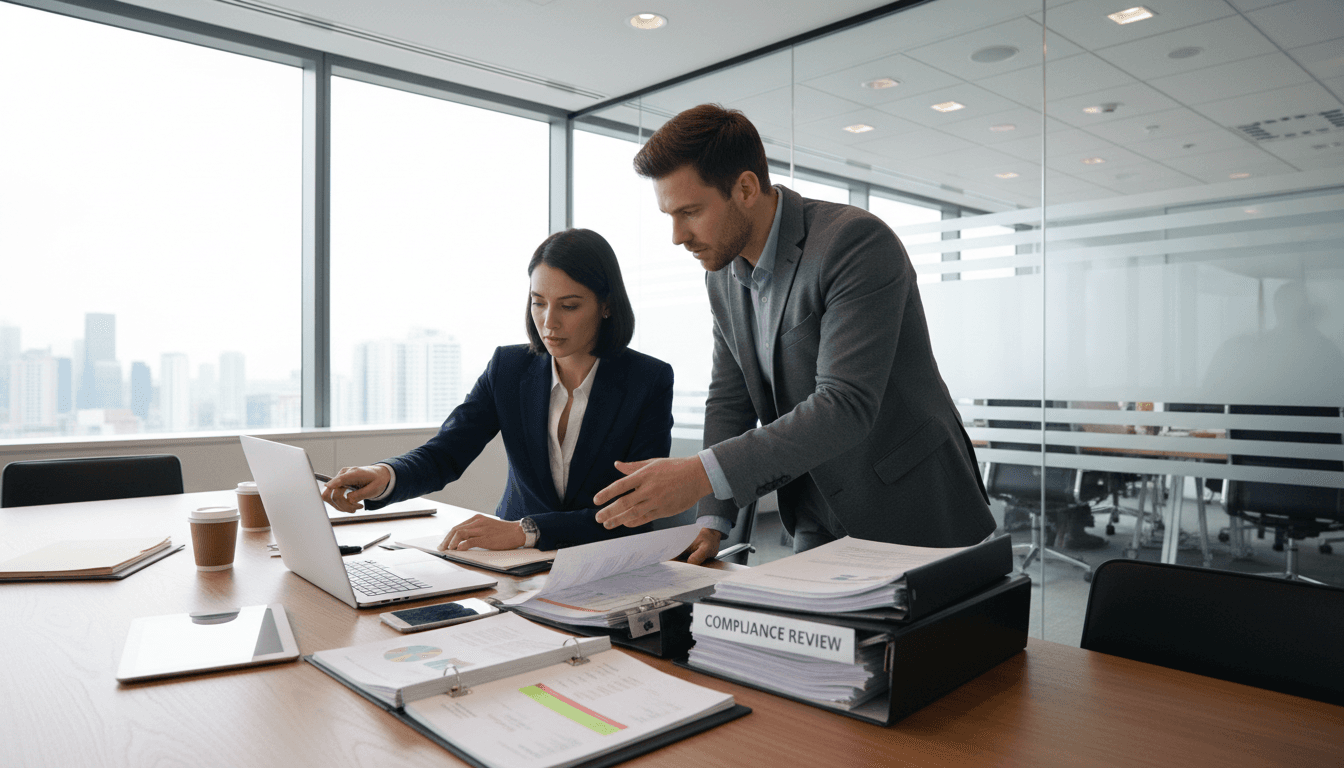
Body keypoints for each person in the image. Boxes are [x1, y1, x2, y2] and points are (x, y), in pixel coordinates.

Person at [593, 104, 995, 562]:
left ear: (745, 188)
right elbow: (730, 398)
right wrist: (711, 520)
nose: (677, 236)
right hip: (816, 513)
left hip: (912, 508)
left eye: (690, 212)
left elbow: (844, 404)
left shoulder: (854, 243)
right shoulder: (721, 275)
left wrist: (698, 474)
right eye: (670, 215)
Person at [322, 228, 674, 552]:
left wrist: (527, 531)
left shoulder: (647, 380)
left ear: (607, 305)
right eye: (538, 302)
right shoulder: (508, 367)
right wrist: (384, 475)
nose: (549, 322)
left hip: (602, 565)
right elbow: (446, 452)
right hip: (512, 564)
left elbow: (635, 509)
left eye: (569, 306)